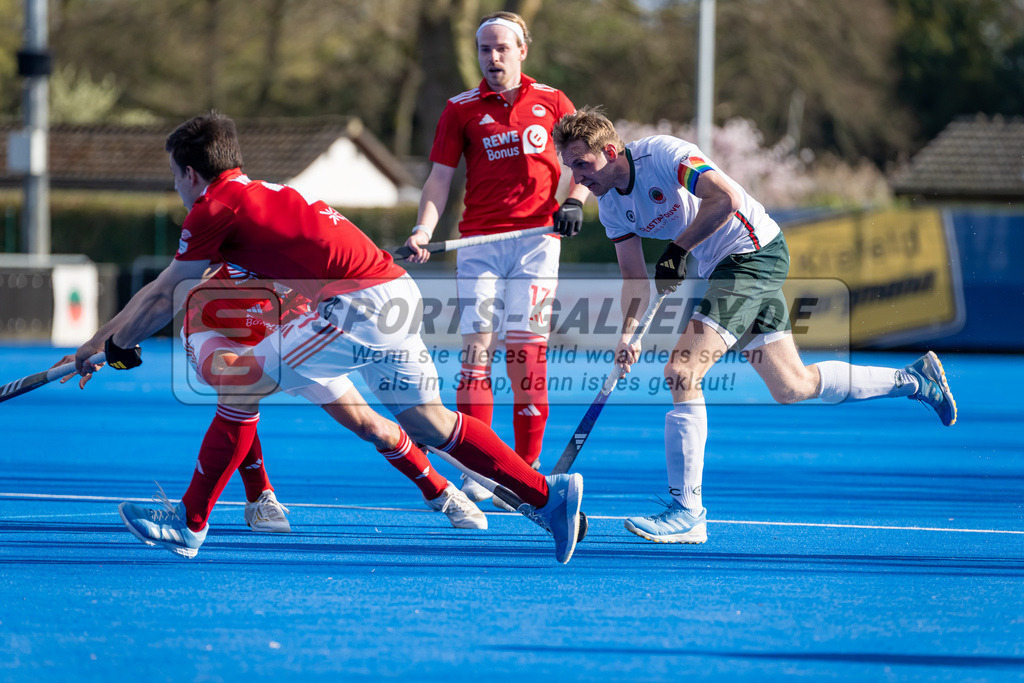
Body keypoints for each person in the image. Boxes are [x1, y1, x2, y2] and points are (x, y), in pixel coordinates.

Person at [69, 111, 583, 564]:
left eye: (175, 178)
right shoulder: (259, 191)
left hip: (356, 304)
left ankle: (189, 522)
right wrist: (101, 344)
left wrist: (112, 349)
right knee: (429, 422)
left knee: (239, 385)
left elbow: (164, 294)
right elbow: (162, 290)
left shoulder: (213, 208)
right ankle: (548, 497)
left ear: (189, 172)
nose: (177, 188)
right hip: (394, 293)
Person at [552, 106, 957, 545]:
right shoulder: (611, 205)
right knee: (791, 386)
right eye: (570, 167)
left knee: (682, 371)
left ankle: (688, 511)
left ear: (610, 151)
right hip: (724, 267)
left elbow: (726, 197)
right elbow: (634, 279)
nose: (578, 177)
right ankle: (914, 380)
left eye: (582, 164)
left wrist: (678, 249)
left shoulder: (664, 156)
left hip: (751, 255)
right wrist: (628, 335)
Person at [105, 262, 486, 558]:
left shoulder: (298, 268)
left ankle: (441, 492)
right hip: (216, 331)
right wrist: (104, 342)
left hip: (284, 335)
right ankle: (259, 499)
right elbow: (158, 294)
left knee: (372, 426)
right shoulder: (218, 251)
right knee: (237, 388)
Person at [403, 11, 590, 506]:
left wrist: (574, 201)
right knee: (477, 353)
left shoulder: (552, 102)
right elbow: (439, 179)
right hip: (478, 247)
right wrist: (423, 229)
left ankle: (524, 467)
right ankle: (476, 465)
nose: (493, 57)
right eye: (485, 49)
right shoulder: (459, 108)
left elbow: (587, 162)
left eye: (502, 48)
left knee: (526, 353)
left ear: (522, 50)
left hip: (537, 242)